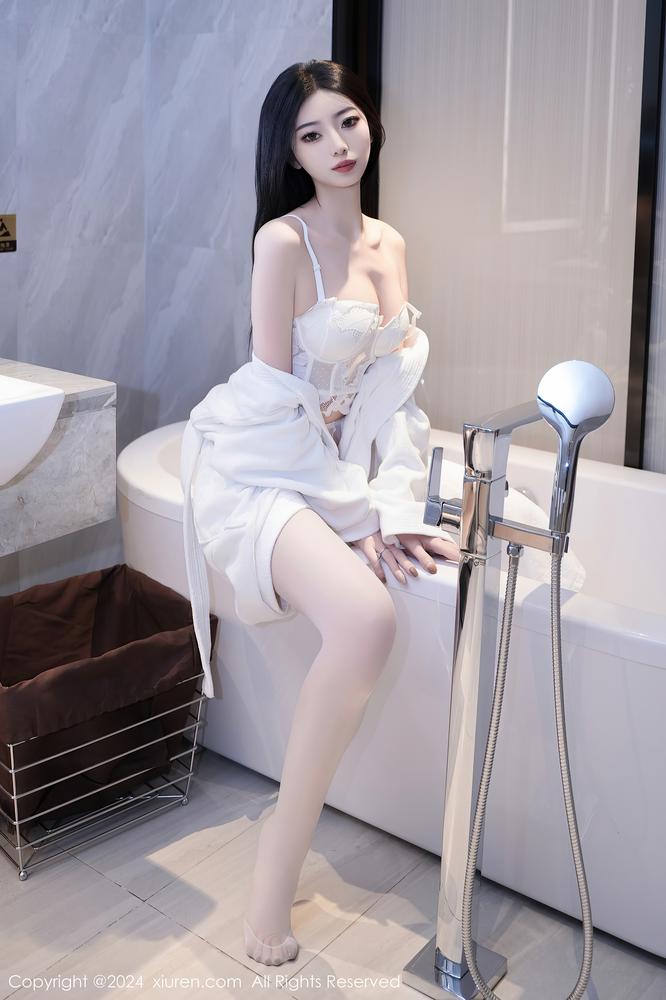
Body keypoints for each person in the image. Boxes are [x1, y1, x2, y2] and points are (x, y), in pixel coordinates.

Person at [238, 59, 460, 967]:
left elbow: (395, 399)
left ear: (372, 125)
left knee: (457, 546)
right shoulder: (281, 243)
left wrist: (393, 504)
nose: (337, 144)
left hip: (348, 467)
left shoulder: (390, 243)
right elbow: (274, 405)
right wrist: (354, 518)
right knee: (368, 619)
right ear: (289, 153)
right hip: (269, 467)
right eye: (311, 133)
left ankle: (279, 840)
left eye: (349, 121)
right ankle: (270, 886)